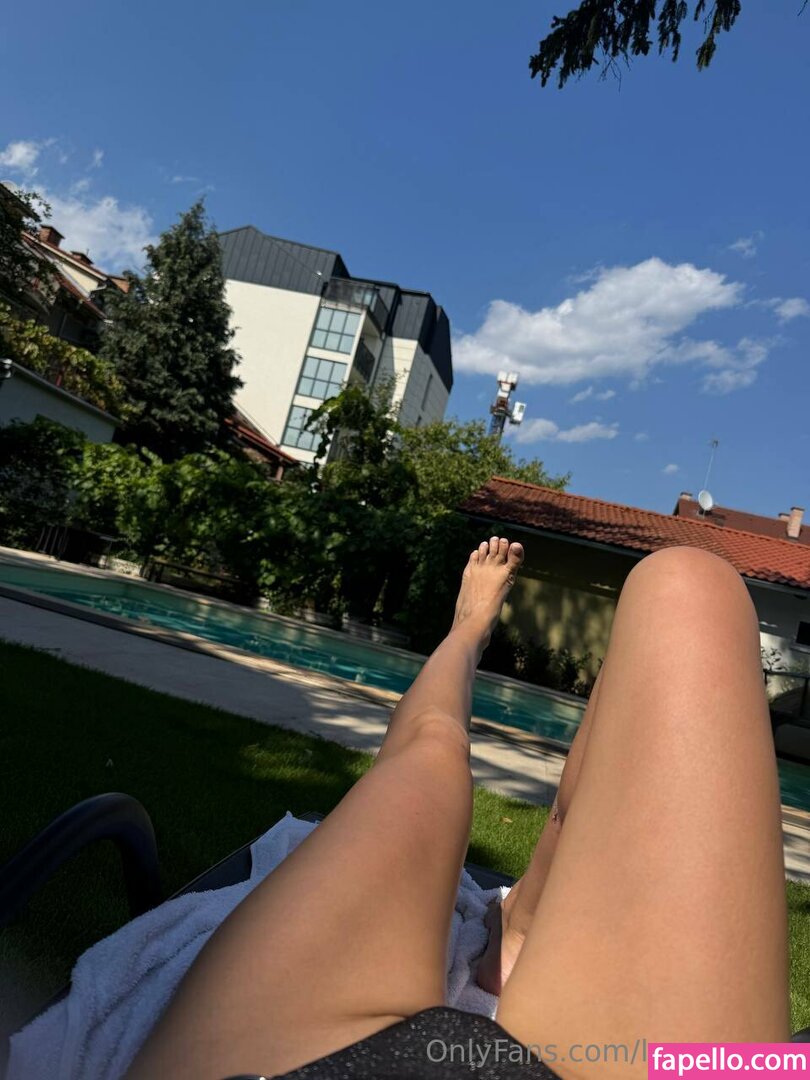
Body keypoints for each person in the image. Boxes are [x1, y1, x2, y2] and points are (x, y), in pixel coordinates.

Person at [126, 538, 789, 1079]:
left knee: (431, 747)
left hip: (311, 1063)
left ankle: (468, 632)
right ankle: (520, 923)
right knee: (690, 587)